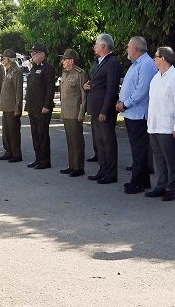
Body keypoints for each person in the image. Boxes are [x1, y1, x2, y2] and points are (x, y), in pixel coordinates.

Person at [145, 47, 175, 201]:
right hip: (154, 125)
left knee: (171, 159)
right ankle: (161, 186)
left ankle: (172, 188)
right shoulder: (156, 78)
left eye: (155, 57)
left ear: (162, 58)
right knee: (159, 158)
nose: (154, 59)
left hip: (168, 126)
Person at [116, 36, 158, 194]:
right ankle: (143, 180)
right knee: (137, 149)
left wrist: (126, 103)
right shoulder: (136, 64)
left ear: (135, 48)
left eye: (128, 46)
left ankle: (137, 182)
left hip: (139, 114)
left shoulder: (146, 64)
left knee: (139, 149)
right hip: (131, 113)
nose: (127, 49)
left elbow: (142, 90)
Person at [84, 33, 123, 184]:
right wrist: (87, 86)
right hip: (95, 108)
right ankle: (103, 169)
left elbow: (111, 89)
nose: (94, 46)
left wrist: (104, 111)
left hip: (103, 110)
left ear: (103, 46)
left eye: (96, 44)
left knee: (108, 141)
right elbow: (96, 83)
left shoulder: (112, 62)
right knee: (99, 141)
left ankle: (111, 173)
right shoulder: (99, 62)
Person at [25, 43, 56, 169]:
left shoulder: (48, 68)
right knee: (35, 133)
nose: (32, 55)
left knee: (42, 134)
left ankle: (45, 160)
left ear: (42, 55)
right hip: (32, 107)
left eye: (35, 53)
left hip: (42, 107)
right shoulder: (34, 68)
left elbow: (50, 88)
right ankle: (38, 158)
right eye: (32, 53)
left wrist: (47, 105)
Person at [58, 48, 87, 177]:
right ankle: (72, 165)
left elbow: (83, 95)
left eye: (64, 59)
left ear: (71, 60)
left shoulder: (80, 74)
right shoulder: (64, 73)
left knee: (77, 140)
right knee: (70, 140)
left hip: (75, 111)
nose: (62, 61)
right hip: (66, 111)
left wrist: (81, 113)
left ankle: (79, 167)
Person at [0, 49, 24, 163]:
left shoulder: (16, 71)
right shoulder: (8, 70)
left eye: (3, 58)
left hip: (12, 108)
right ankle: (8, 152)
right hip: (6, 107)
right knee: (6, 132)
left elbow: (18, 92)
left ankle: (16, 154)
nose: (2, 60)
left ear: (8, 59)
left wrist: (18, 108)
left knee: (13, 132)